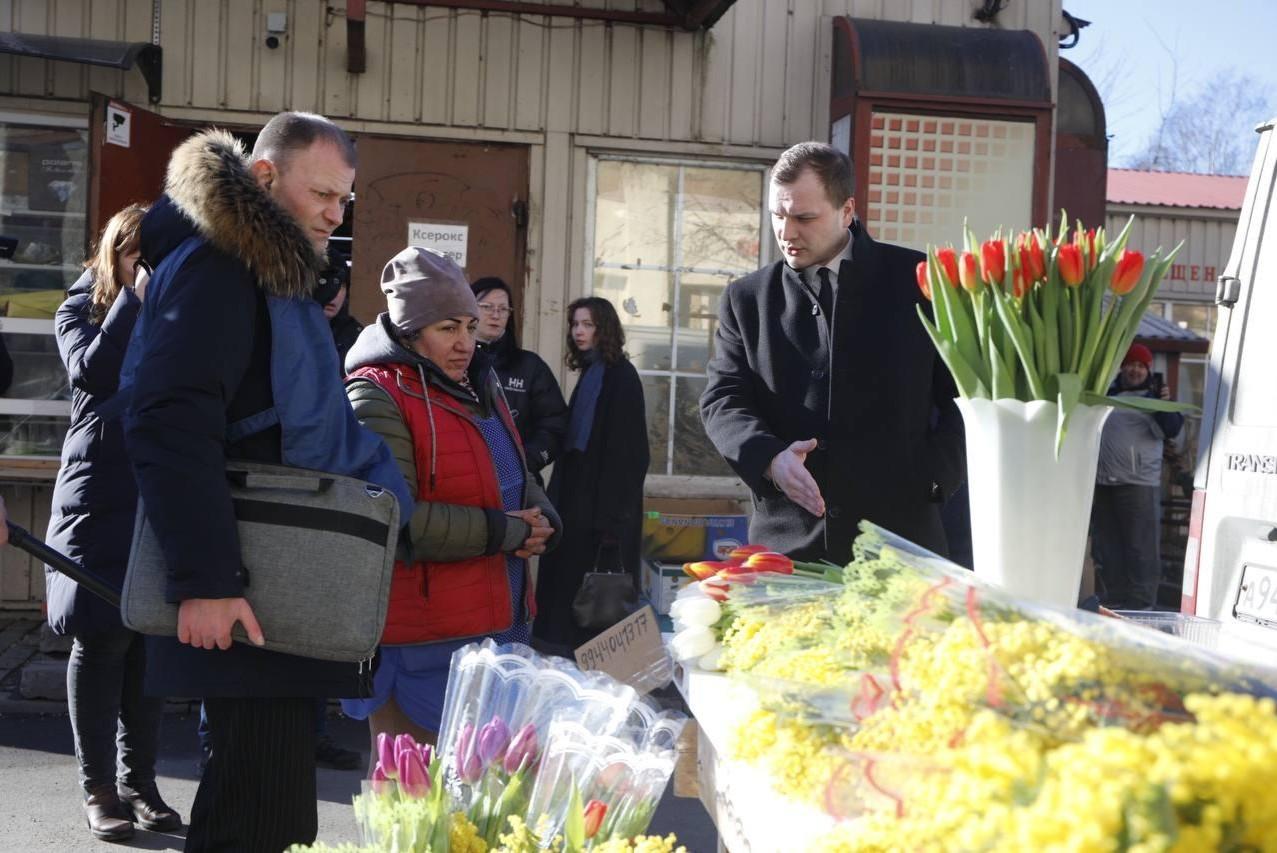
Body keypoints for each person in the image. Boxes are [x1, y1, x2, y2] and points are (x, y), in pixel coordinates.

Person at [123, 113, 411, 852]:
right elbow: (167, 417)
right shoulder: (221, 265)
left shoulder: (264, 268)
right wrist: (206, 579)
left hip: (279, 576)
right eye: (320, 193)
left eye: (344, 200)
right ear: (262, 177)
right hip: (248, 579)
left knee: (267, 814)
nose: (333, 214)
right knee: (259, 818)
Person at [700, 141, 964, 563]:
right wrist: (769, 459)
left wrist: (934, 481)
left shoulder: (922, 283)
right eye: (777, 215)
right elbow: (722, 399)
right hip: (785, 549)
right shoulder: (745, 298)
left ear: (847, 211)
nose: (786, 233)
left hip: (901, 545)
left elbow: (967, 398)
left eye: (804, 217)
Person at [339, 247, 560, 746]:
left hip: (497, 625)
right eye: (447, 329)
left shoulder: (479, 382)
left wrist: (543, 517)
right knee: (413, 801)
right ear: (409, 333)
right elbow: (396, 519)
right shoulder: (376, 396)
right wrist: (509, 531)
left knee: (476, 801)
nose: (465, 343)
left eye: (469, 325)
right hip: (420, 642)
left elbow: (514, 469)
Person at [44, 203, 181, 842]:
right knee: (100, 639)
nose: (151, 269)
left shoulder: (183, 314)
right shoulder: (81, 309)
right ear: (116, 254)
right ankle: (98, 787)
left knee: (150, 642)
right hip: (98, 494)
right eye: (140, 256)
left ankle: (140, 782)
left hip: (160, 495)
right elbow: (92, 373)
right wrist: (133, 299)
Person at [533, 296, 649, 654]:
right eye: (575, 324)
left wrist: (612, 523)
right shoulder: (593, 372)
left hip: (603, 513)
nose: (579, 332)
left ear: (605, 330)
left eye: (588, 325)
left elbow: (629, 455)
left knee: (593, 604)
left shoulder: (620, 378)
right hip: (578, 505)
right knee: (569, 596)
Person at [1092, 343, 1183, 610]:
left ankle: (1142, 605)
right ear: (1121, 368)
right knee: (1108, 547)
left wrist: (1163, 404)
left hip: (1138, 485)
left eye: (1140, 366)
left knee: (1140, 549)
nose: (1135, 370)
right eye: (1130, 364)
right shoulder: (1108, 395)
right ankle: (1115, 601)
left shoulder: (1154, 399)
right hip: (1103, 483)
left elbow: (1172, 430)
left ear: (1148, 370)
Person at [471, 276, 568, 484]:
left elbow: (555, 424)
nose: (495, 315)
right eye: (487, 306)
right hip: (463, 477)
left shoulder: (530, 366)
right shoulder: (452, 361)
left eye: (503, 309)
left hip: (519, 482)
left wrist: (525, 462)